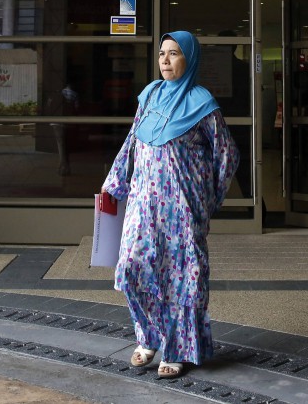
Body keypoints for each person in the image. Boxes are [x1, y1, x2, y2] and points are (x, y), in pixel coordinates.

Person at [100, 30, 240, 379]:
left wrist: (208, 200)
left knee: (180, 280)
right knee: (131, 268)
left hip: (182, 210)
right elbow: (133, 141)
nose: (165, 60)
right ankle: (148, 337)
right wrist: (113, 184)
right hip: (142, 205)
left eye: (174, 53)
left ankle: (176, 348)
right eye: (162, 53)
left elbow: (227, 153)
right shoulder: (148, 95)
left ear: (189, 59)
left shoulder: (202, 102)